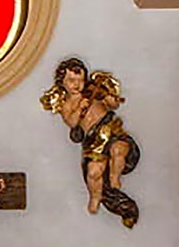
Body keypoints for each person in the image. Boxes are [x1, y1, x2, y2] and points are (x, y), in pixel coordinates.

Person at [40, 58, 140, 224]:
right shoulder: (67, 104)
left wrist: (109, 96)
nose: (77, 84)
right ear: (62, 82)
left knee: (118, 150)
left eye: (80, 80)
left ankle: (115, 178)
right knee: (93, 172)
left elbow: (113, 105)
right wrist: (79, 108)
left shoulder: (95, 92)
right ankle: (95, 196)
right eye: (71, 80)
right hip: (93, 142)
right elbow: (71, 122)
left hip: (112, 131)